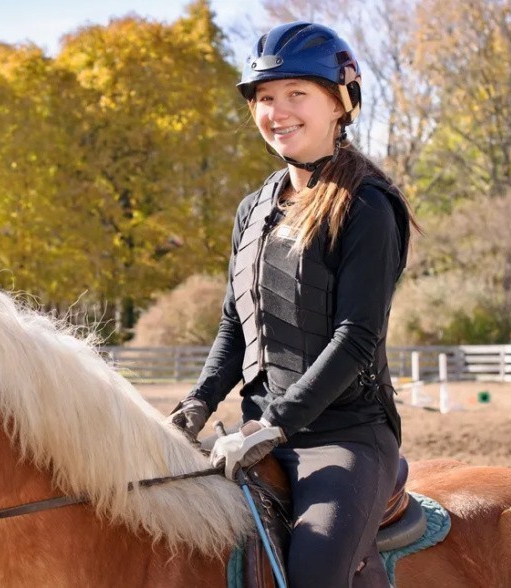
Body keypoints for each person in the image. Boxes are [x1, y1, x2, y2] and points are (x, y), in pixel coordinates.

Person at [168, 21, 419, 588]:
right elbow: (237, 324)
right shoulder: (252, 208)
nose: (277, 111)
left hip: (344, 437)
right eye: (264, 98)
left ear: (340, 103)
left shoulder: (368, 206)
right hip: (258, 433)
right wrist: (198, 404)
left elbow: (356, 339)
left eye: (296, 94)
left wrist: (273, 426)